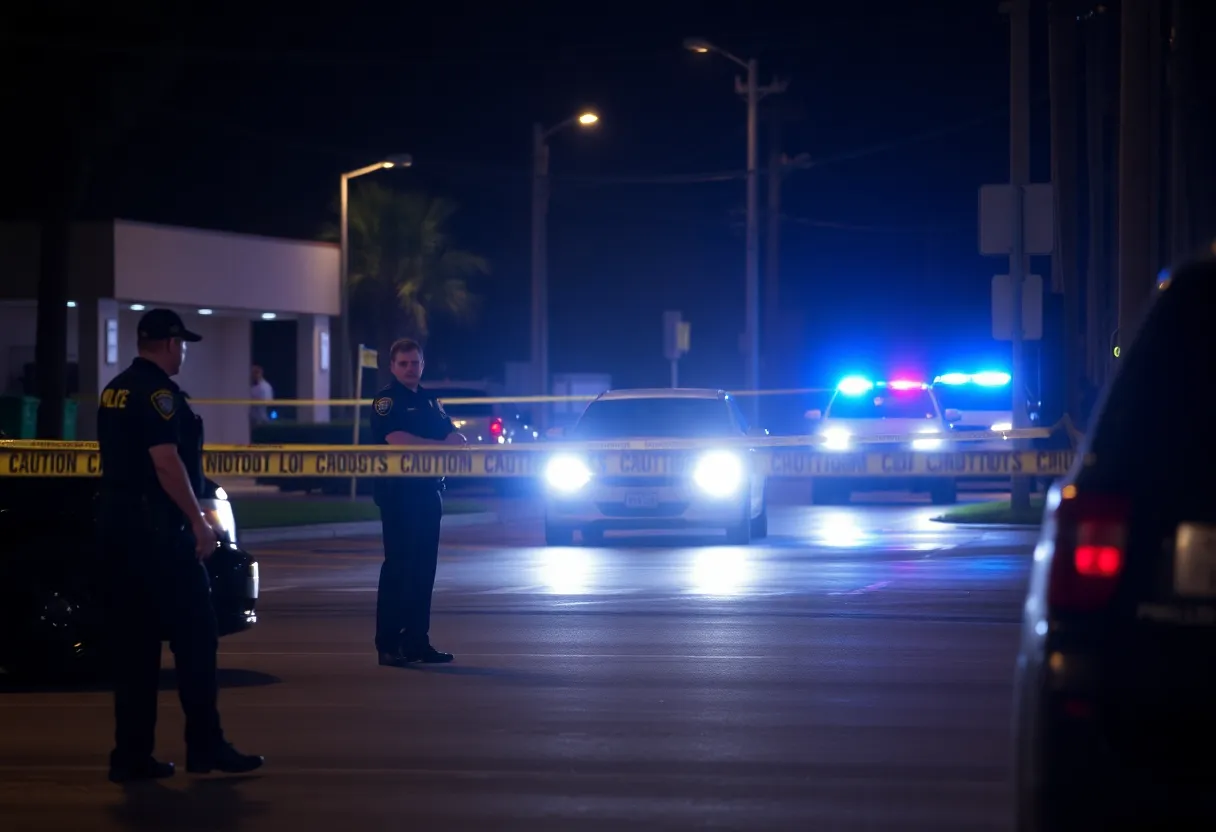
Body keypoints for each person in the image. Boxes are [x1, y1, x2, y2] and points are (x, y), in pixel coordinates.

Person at [97, 308, 263, 783]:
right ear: (170, 344)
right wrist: (198, 522)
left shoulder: (116, 390)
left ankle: (131, 756)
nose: (184, 352)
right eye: (182, 344)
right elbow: (166, 463)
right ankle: (206, 747)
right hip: (161, 538)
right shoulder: (160, 395)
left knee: (136, 650)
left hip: (120, 534)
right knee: (197, 639)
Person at [369, 338, 467, 667]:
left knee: (424, 570)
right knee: (398, 568)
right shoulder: (386, 400)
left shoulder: (430, 400)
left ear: (423, 365)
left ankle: (416, 642)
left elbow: (452, 434)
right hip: (398, 494)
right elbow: (396, 440)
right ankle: (388, 644)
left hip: (428, 491)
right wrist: (439, 445)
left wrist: (451, 440)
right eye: (404, 363)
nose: (410, 368)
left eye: (415, 363)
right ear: (392, 367)